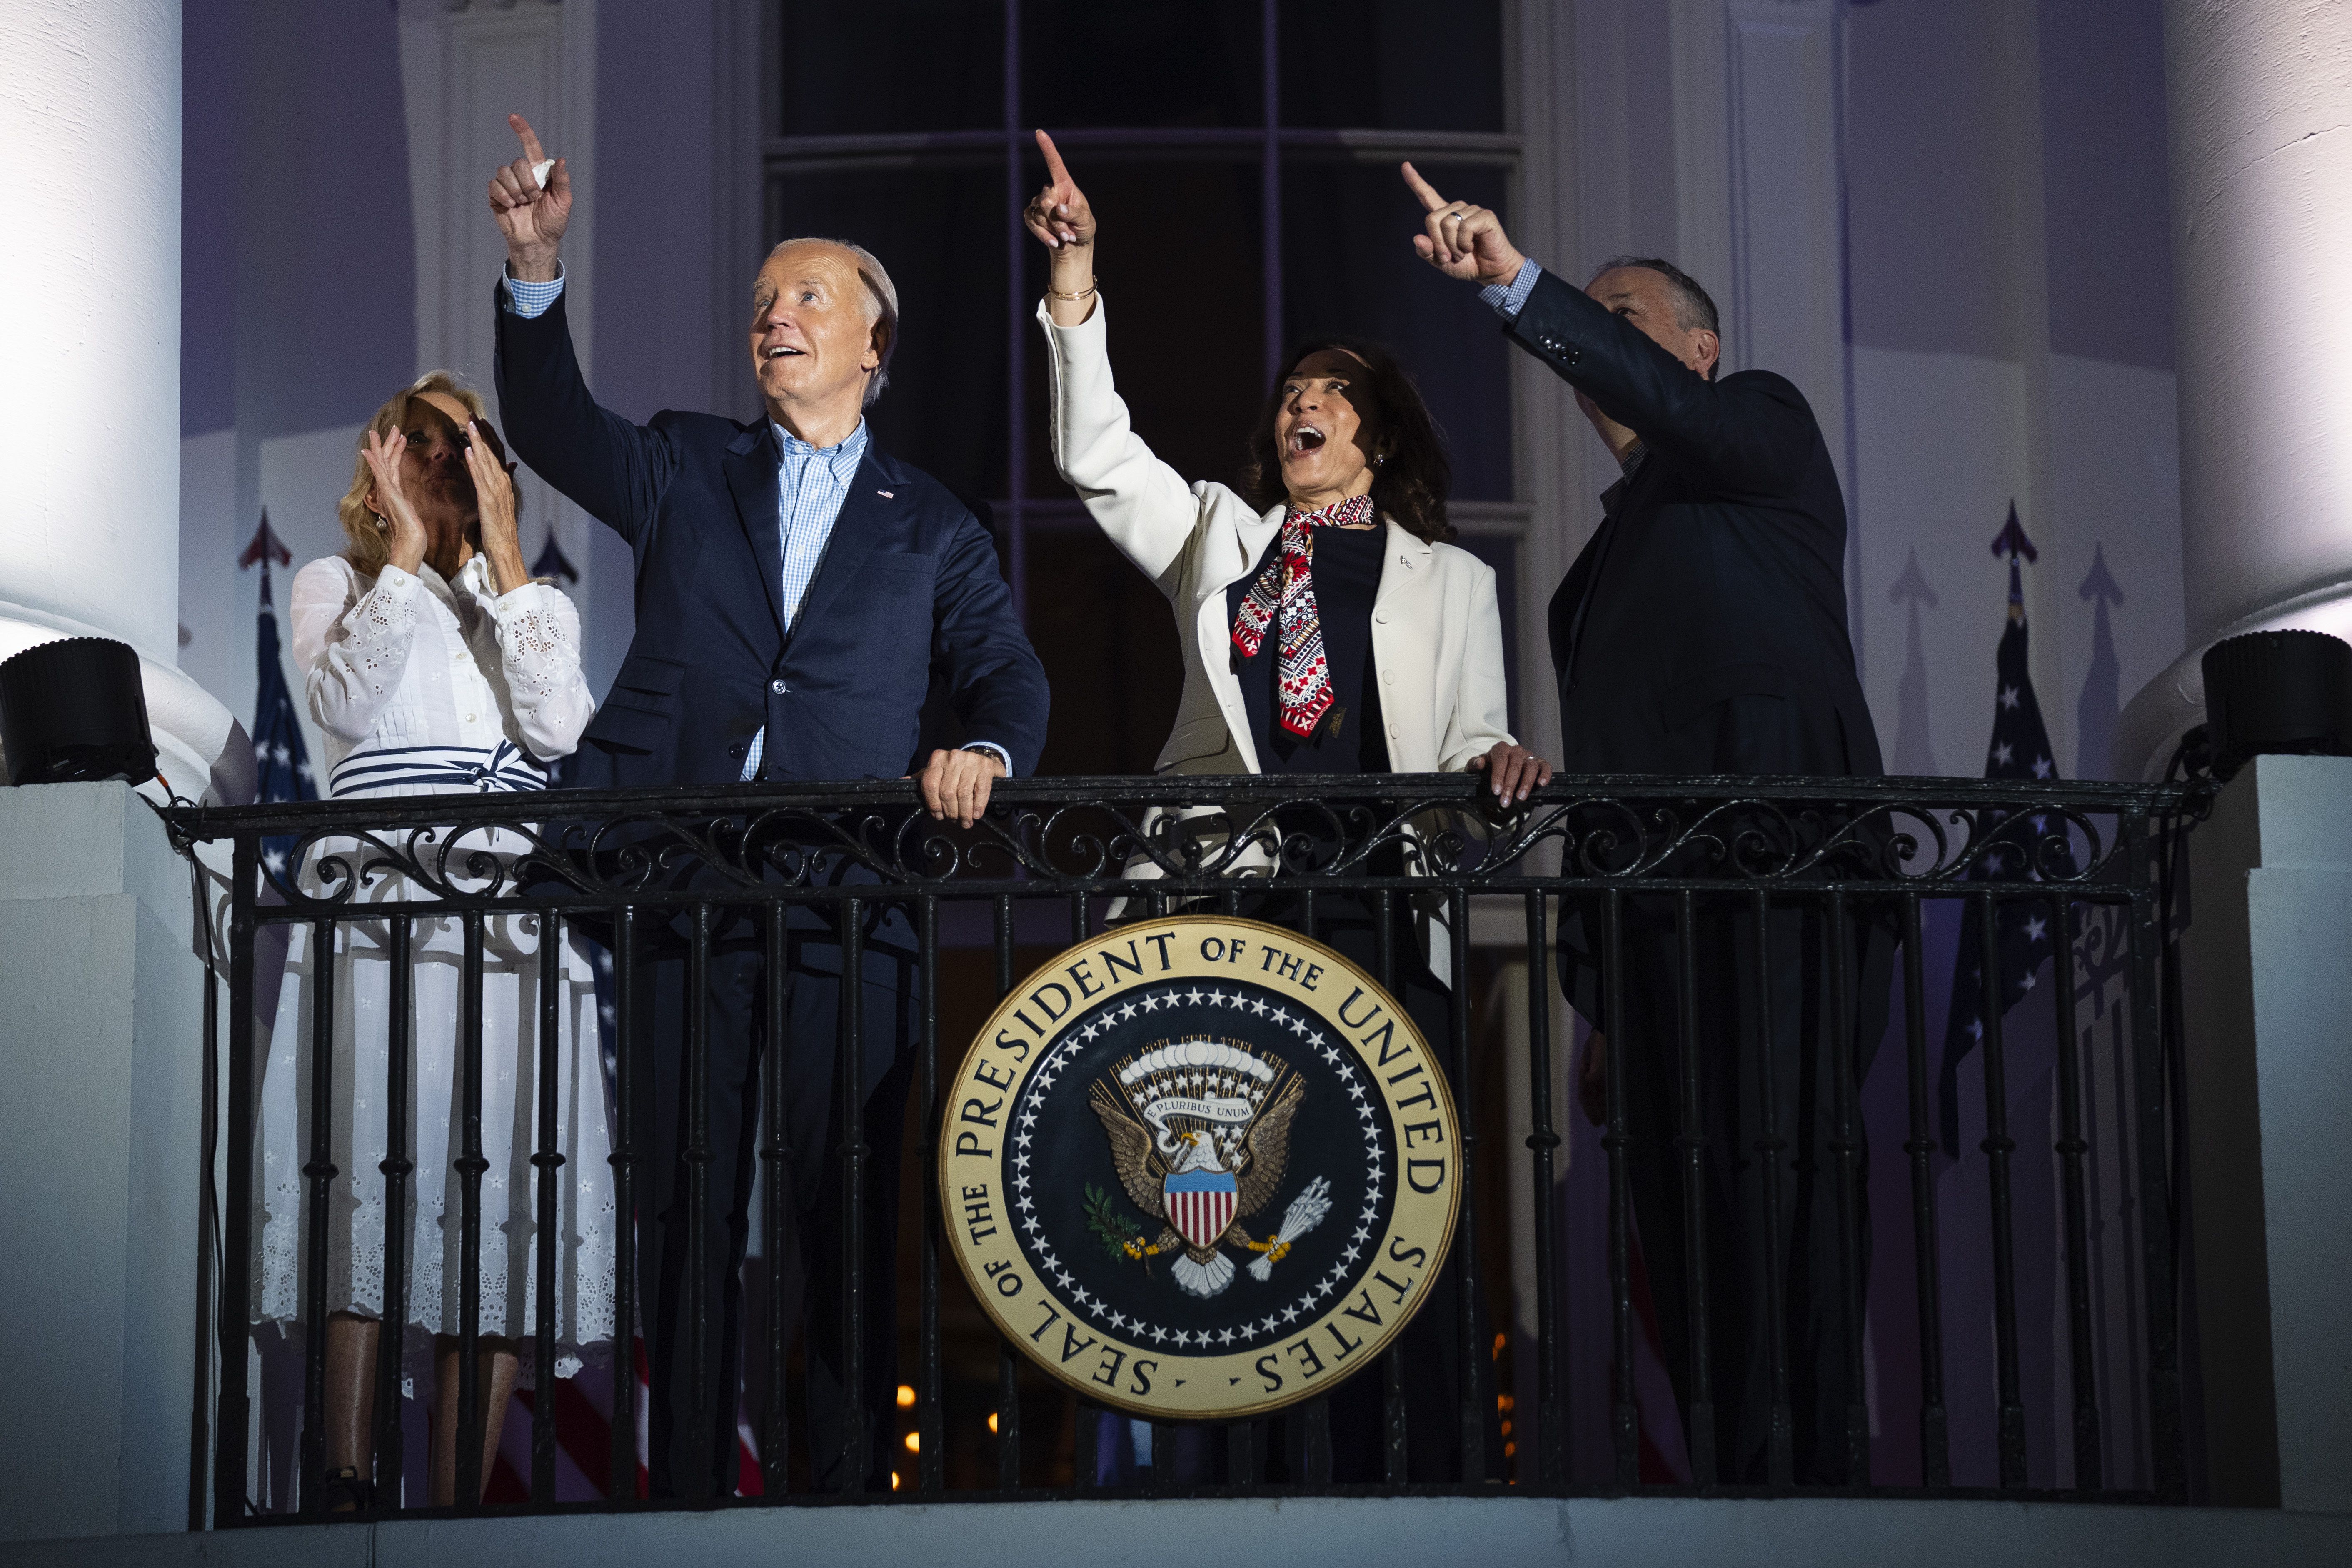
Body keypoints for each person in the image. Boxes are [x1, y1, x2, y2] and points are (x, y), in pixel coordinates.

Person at [484, 115, 1050, 1498]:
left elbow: (1007, 674)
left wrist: (980, 745)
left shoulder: (934, 524)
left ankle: (848, 1493)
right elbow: (553, 423)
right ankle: (680, 1496)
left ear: (874, 345)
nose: (775, 316)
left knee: (846, 1208)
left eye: (808, 297)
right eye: (763, 303)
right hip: (688, 886)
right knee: (683, 1204)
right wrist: (537, 272)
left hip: (853, 906)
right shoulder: (687, 463)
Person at [1027, 130, 1546, 1483]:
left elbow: (1477, 731)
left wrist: (1501, 767)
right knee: (1251, 1236)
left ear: (1375, 429)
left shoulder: (1453, 582)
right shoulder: (1224, 535)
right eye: (1290, 392)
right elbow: (1097, 458)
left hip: (1381, 915)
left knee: (1392, 1216)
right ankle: (1251, 1489)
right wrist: (1076, 281)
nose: (1298, 404)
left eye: (1330, 390)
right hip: (1230, 911)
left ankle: (1420, 1484)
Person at [1401, 164, 1891, 1485]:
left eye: (1627, 318)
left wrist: (1517, 282)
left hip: (1790, 870)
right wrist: (1601, 1001)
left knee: (1786, 1173)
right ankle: (1735, 1482)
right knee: (1685, 1213)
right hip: (1656, 924)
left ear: (1699, 349)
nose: (1602, 338)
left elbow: (1689, 418)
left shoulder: (1764, 428)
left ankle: (1818, 1481)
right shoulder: (1584, 587)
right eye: (1590, 323)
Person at [259, 371, 612, 1508]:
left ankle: (462, 1509)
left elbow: (561, 731)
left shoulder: (534, 602)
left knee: (498, 1194)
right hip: (383, 926)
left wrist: (507, 560)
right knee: (374, 1173)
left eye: (463, 443)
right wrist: (404, 556)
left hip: (507, 932)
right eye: (416, 438)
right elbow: (346, 711)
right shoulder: (337, 582)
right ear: (380, 455)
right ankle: (349, 1479)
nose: (440, 458)